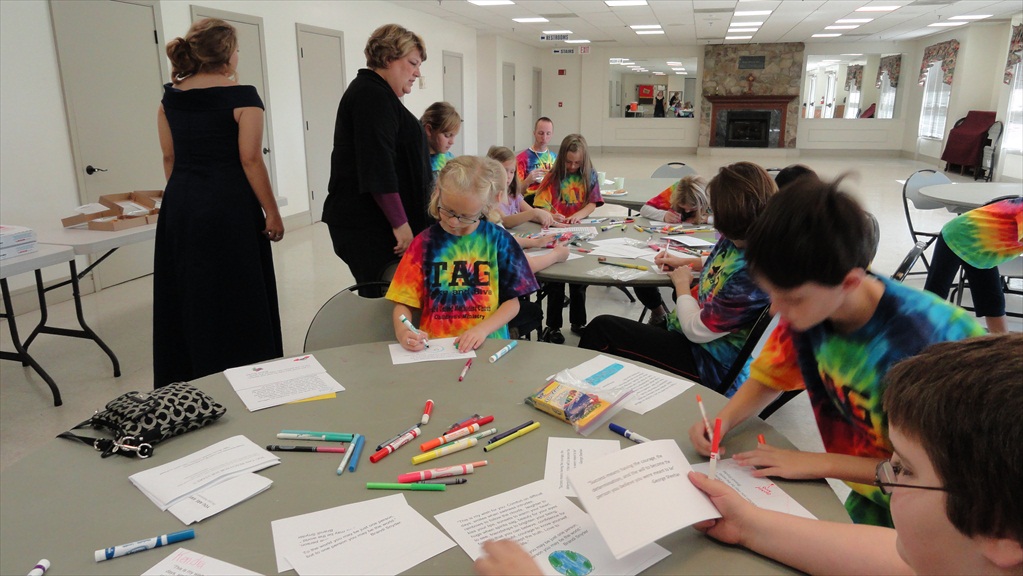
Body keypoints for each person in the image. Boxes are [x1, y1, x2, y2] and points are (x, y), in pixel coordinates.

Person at [476, 334, 1023, 576]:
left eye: (901, 469)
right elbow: (897, 561)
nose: (882, 476)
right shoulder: (970, 558)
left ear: (999, 537)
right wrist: (751, 525)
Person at [688, 175, 985, 527]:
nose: (775, 310)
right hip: (875, 497)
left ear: (850, 282)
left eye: (791, 298)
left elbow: (933, 475)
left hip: (941, 518)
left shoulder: (933, 342)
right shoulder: (814, 303)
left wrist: (820, 462)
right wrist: (722, 421)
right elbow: (771, 377)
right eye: (772, 294)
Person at [153, 18, 283, 387]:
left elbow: (169, 157)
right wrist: (272, 212)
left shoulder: (170, 99)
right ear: (227, 55)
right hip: (230, 206)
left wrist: (187, 196)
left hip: (182, 204)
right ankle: (247, 372)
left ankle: (191, 374)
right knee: (238, 290)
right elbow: (250, 160)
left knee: (189, 289)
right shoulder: (243, 97)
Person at [580, 163, 774, 396]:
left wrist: (682, 286)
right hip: (691, 338)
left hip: (709, 364)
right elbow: (720, 263)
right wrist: (684, 262)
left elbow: (697, 330)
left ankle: (579, 399)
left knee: (602, 330)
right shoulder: (742, 237)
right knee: (614, 331)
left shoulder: (754, 274)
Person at [386, 156, 538, 352]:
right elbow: (403, 304)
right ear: (438, 193)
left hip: (487, 345)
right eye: (448, 210)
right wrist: (403, 332)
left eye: (465, 216)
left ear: (485, 206)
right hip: (436, 349)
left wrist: (482, 330)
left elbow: (512, 303)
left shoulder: (498, 240)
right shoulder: (423, 244)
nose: (454, 222)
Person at [322, 24, 431, 294]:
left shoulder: (380, 94)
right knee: (389, 297)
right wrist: (401, 224)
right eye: (413, 63)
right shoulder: (371, 95)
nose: (418, 73)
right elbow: (378, 166)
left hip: (379, 223)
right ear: (388, 57)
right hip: (371, 225)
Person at [531, 134, 603, 344]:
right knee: (556, 283)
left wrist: (577, 215)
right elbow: (539, 205)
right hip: (555, 234)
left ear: (584, 160)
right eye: (568, 162)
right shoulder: (552, 177)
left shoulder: (589, 175)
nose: (572, 166)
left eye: (576, 163)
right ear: (562, 158)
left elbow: (592, 203)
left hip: (579, 233)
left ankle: (578, 322)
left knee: (579, 281)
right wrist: (552, 216)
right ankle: (552, 326)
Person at [923, 197, 1022, 333]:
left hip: (983, 250)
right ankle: (917, 338)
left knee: (993, 303)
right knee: (934, 296)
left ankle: (1001, 345)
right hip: (958, 235)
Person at [634, 175, 711, 325]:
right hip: (671, 243)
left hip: (700, 247)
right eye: (683, 206)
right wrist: (663, 215)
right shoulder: (676, 190)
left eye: (692, 207)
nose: (687, 210)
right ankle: (659, 314)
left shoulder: (714, 195)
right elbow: (644, 209)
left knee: (687, 286)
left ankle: (680, 317)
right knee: (641, 278)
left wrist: (707, 219)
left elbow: (729, 218)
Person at [485, 145, 555, 229]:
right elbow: (505, 221)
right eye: (505, 171)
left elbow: (533, 213)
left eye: (512, 172)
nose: (508, 176)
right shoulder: (489, 198)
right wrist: (535, 213)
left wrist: (552, 219)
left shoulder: (513, 195)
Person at [515, 117, 556, 206]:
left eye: (548, 133)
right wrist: (528, 181)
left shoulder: (555, 158)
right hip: (531, 201)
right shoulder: (522, 159)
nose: (544, 137)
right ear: (534, 133)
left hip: (551, 200)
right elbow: (516, 194)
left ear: (552, 134)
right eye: (541, 133)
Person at [421, 101, 461, 182]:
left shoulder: (450, 160)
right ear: (429, 130)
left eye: (454, 136)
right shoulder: (416, 159)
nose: (452, 142)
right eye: (447, 135)